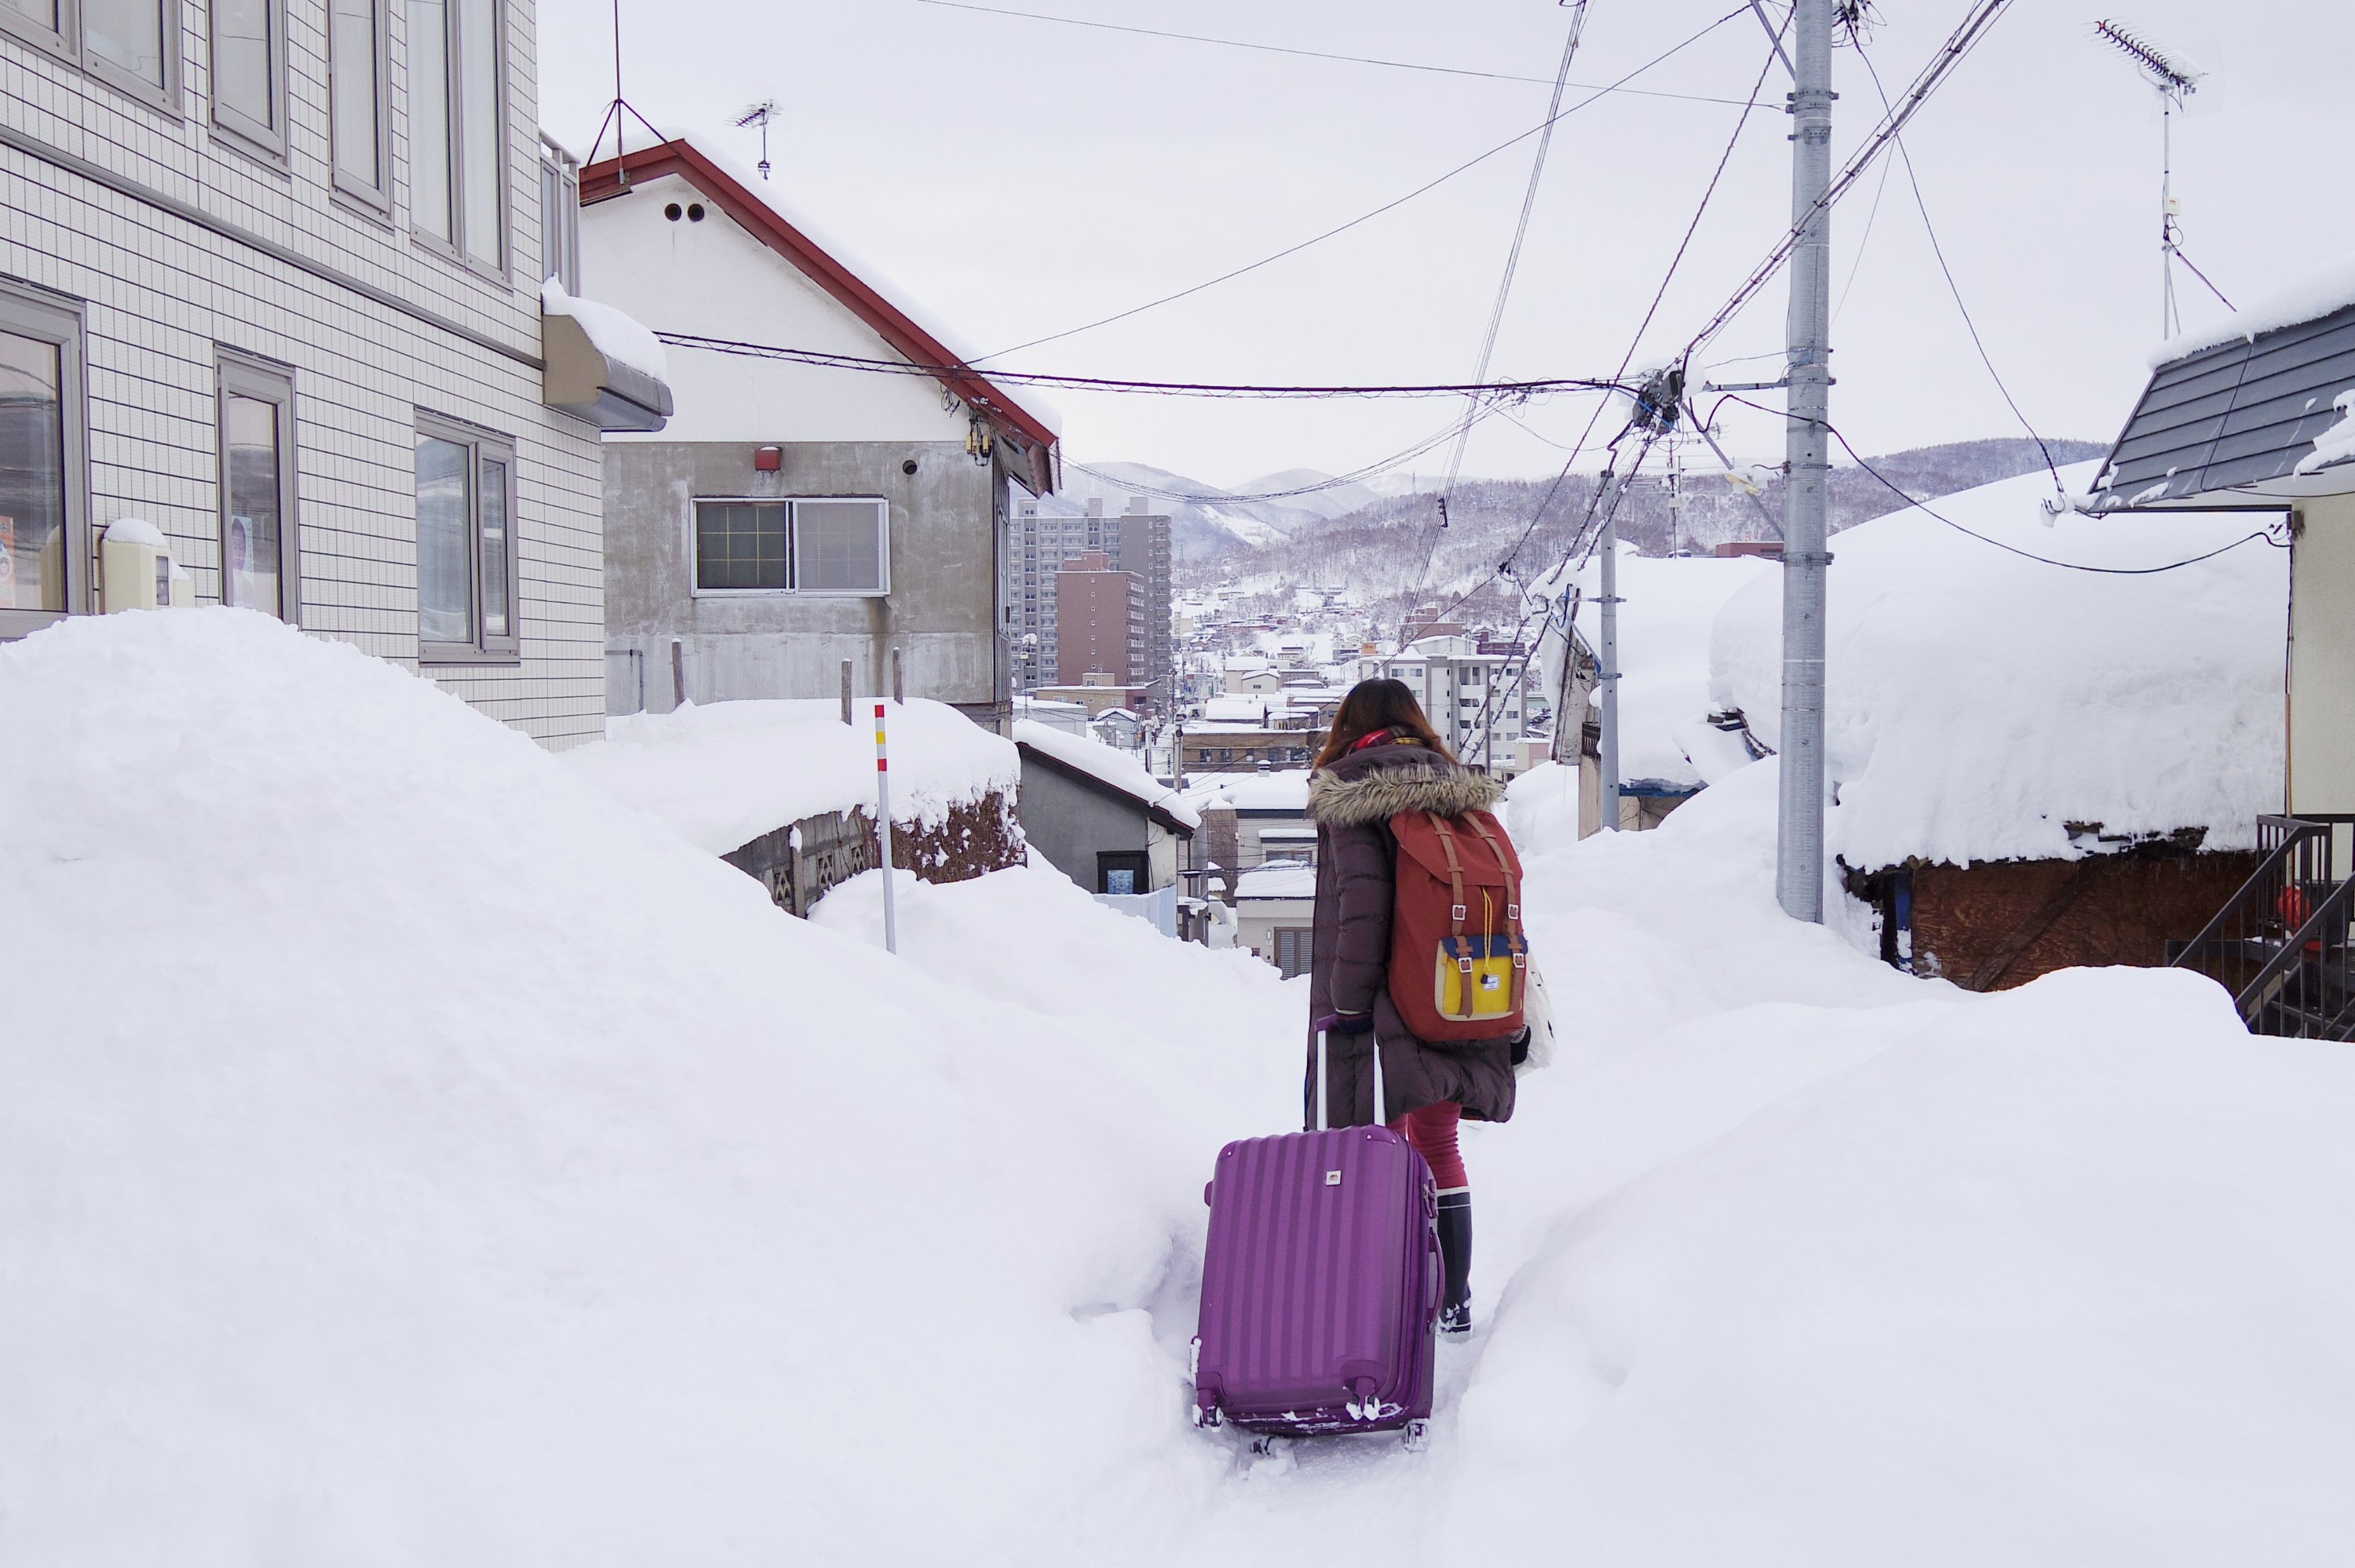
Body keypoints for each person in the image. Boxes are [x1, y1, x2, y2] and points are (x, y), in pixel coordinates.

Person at [1305, 677, 1522, 1338]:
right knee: (1439, 1142)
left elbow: (1362, 914)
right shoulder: (1459, 795)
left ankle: (1383, 1300)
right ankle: (1452, 1298)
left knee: (1376, 1149)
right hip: (1461, 992)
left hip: (1388, 1005)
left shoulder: (1353, 794)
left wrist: (1346, 1004)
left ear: (1351, 726)